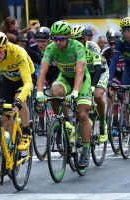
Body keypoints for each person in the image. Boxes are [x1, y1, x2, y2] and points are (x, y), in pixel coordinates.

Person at [36, 21, 92, 168]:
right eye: (55, 38)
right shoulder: (51, 48)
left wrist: (75, 92)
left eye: (61, 39)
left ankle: (85, 150)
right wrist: (39, 92)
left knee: (82, 114)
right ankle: (64, 123)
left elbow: (80, 71)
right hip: (65, 78)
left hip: (82, 80)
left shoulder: (77, 46)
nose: (58, 42)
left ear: (68, 37)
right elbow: (42, 71)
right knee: (55, 92)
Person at [71, 25, 108, 143]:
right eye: (74, 40)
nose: (77, 42)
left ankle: (103, 122)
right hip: (85, 75)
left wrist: (92, 87)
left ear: (85, 38)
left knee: (97, 95)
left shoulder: (92, 47)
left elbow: (97, 69)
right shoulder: (71, 49)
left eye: (79, 39)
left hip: (100, 72)